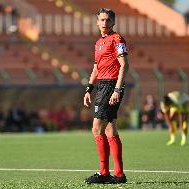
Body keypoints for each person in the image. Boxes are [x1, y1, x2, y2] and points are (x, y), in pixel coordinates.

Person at [83, 8, 129, 184]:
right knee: (110, 128)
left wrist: (117, 89)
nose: (104, 23)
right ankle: (118, 175)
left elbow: (124, 65)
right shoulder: (97, 43)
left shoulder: (117, 39)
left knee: (96, 128)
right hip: (101, 85)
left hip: (111, 84)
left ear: (113, 22)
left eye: (108, 20)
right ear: (97, 22)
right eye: (101, 20)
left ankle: (104, 173)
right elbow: (96, 68)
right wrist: (89, 88)